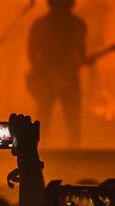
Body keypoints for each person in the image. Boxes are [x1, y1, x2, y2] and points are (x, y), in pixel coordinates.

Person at [27, 0, 87, 145]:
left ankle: (73, 155)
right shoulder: (41, 25)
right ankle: (38, 155)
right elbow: (32, 51)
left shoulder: (78, 24)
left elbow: (81, 53)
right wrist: (41, 71)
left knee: (72, 123)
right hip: (49, 78)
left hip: (67, 78)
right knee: (44, 122)